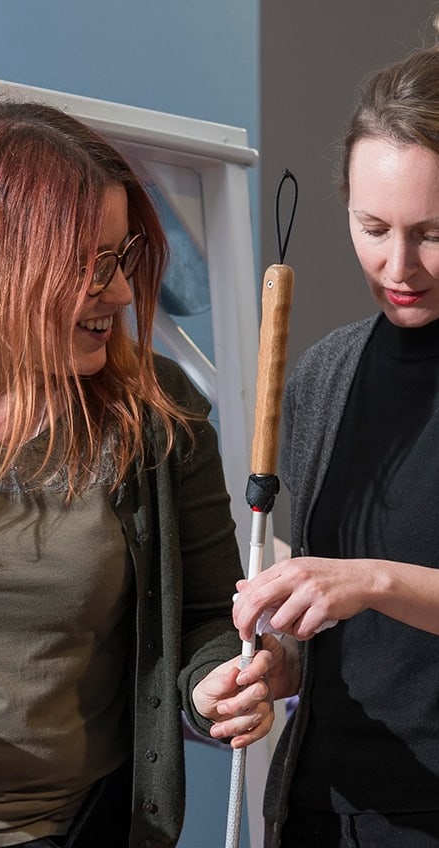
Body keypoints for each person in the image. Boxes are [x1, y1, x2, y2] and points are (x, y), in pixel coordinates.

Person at [0, 98, 280, 848]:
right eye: (87, 267)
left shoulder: (156, 412)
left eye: (123, 256)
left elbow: (207, 616)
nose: (122, 293)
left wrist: (214, 685)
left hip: (79, 829)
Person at [233, 41, 439, 848]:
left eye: (433, 232)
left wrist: (373, 580)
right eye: (372, 227)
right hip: (320, 807)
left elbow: (364, 586)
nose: (399, 266)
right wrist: (274, 663)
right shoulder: (326, 371)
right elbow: (337, 634)